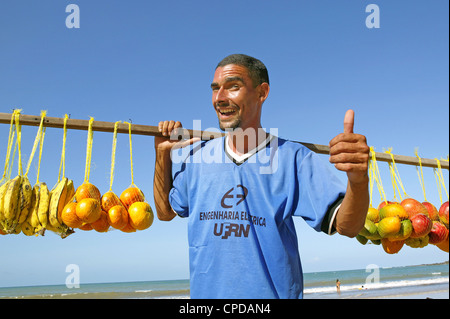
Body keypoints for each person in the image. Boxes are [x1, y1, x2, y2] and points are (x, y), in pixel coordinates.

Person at [153, 54, 370, 299]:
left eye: (233, 86)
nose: (220, 98)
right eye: (215, 89)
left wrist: (358, 180)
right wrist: (161, 156)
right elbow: (165, 212)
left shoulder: (293, 158)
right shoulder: (197, 157)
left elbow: (348, 226)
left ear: (262, 92)